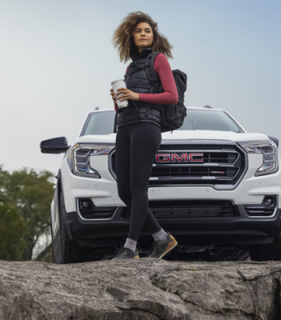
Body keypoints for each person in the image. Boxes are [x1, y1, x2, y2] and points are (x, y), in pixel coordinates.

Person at [110, 11, 178, 259]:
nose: (143, 34)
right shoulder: (129, 68)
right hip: (125, 127)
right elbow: (127, 103)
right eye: (138, 30)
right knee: (124, 191)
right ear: (131, 35)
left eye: (147, 31)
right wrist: (119, 100)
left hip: (147, 127)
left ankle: (130, 248)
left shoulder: (159, 60)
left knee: (139, 188)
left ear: (153, 36)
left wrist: (136, 96)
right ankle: (162, 238)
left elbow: (172, 96)